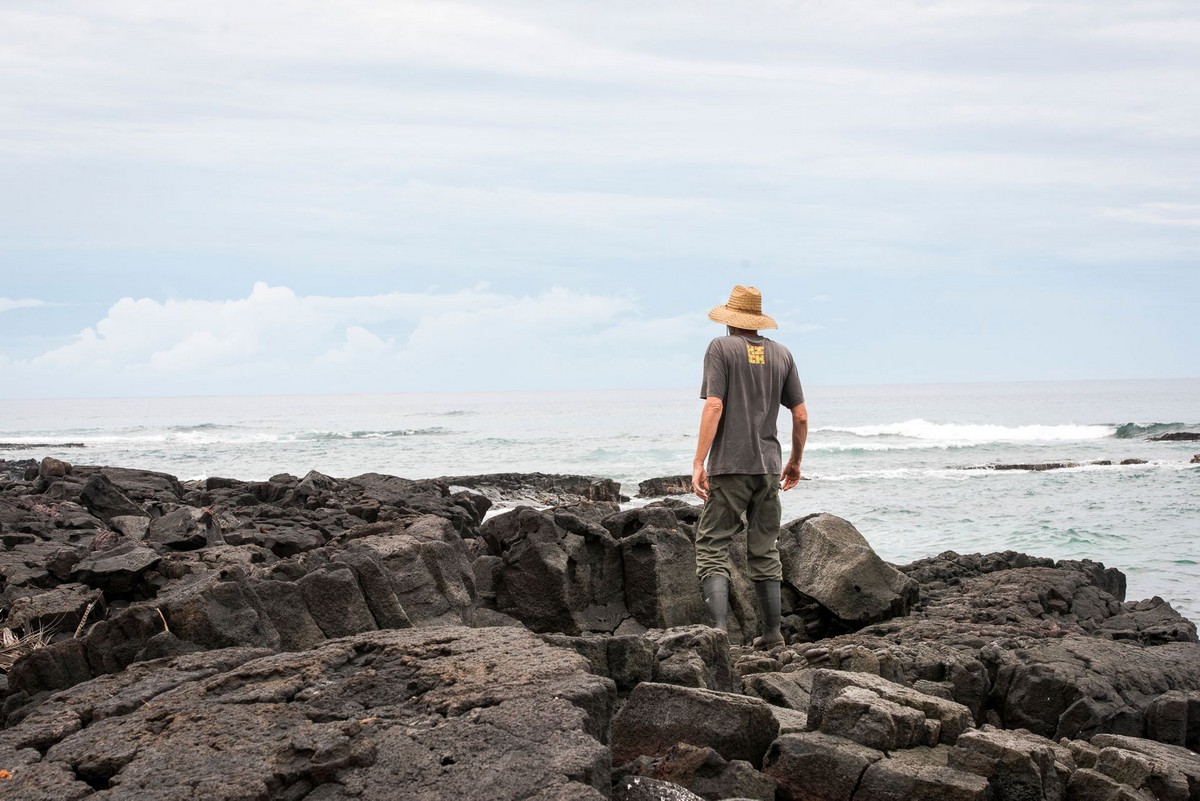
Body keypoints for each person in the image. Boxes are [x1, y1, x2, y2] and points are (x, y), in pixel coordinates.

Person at [692, 285, 807, 648]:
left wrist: (698, 461)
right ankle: (773, 635)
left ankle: (720, 633)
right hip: (769, 467)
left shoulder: (720, 348)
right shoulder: (782, 355)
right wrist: (795, 461)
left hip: (730, 465)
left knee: (713, 545)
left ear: (730, 320)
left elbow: (714, 406)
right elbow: (801, 416)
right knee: (764, 547)